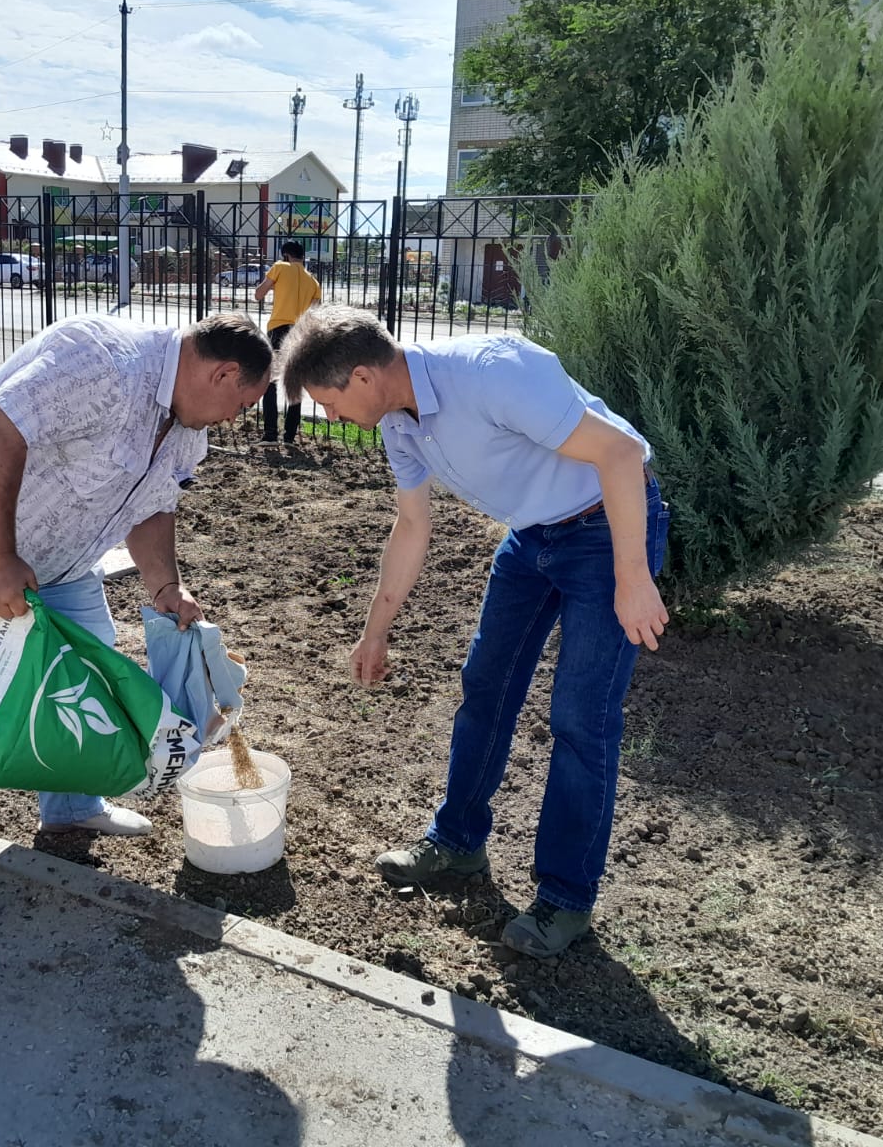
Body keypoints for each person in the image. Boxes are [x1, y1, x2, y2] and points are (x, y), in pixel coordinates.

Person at [281, 306, 670, 960]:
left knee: (581, 716)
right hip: (533, 535)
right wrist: (374, 634)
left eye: (327, 401)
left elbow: (621, 452)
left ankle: (565, 900)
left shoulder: (491, 373)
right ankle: (458, 841)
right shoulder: (399, 424)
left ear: (360, 377)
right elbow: (412, 526)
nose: (328, 416)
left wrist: (632, 575)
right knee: (485, 686)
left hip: (607, 528)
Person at [0, 312, 272, 932]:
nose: (238, 418)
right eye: (243, 402)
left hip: (61, 555)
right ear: (223, 371)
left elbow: (153, 508)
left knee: (95, 661)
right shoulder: (104, 361)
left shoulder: (186, 428)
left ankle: (69, 805)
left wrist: (166, 585)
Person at [252, 240, 321, 443]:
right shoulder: (313, 282)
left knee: (271, 381)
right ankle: (289, 435)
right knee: (294, 382)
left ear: (286, 255)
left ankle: (270, 433)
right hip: (300, 332)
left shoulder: (280, 267)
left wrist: (275, 286)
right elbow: (315, 313)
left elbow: (258, 294)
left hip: (278, 328)